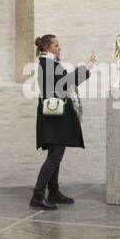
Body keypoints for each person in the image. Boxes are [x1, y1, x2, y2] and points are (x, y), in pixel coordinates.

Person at [32, 34, 96, 210]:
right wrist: (86, 67)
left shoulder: (51, 63)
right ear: (47, 48)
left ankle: (53, 192)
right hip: (54, 117)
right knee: (54, 157)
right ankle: (38, 196)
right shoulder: (47, 64)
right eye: (56, 45)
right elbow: (65, 83)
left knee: (55, 155)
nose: (59, 48)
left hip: (55, 115)